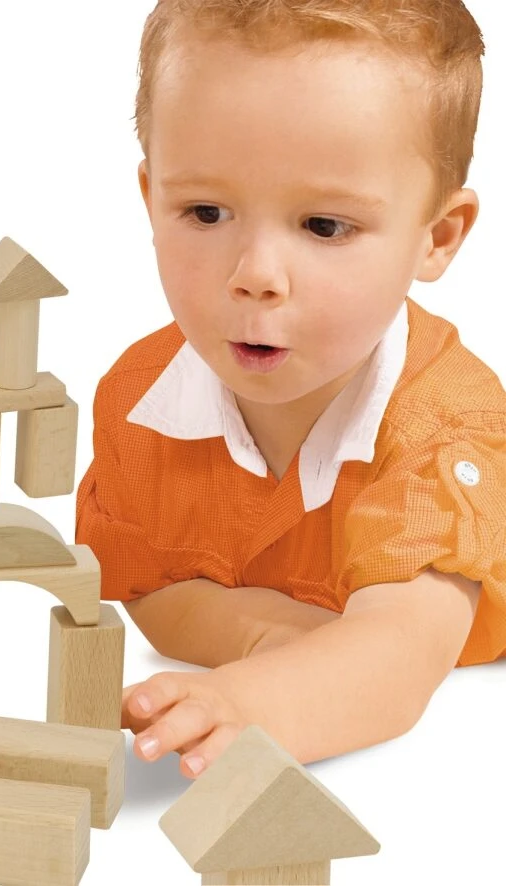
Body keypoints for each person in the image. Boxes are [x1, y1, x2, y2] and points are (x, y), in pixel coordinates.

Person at [74, 0, 503, 779]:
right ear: (150, 197)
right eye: (206, 211)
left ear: (437, 237)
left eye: (324, 226)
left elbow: (400, 656)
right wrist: (265, 636)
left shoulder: (444, 428)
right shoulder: (140, 400)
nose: (256, 276)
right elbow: (144, 582)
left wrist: (253, 699)